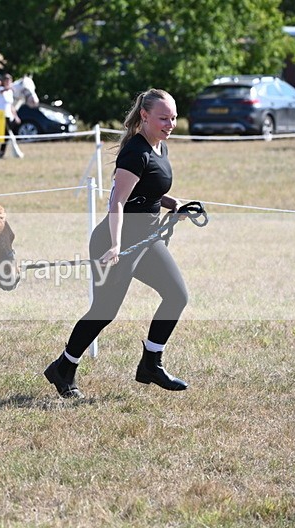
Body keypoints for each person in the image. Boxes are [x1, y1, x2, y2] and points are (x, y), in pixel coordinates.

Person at [43, 88, 190, 399]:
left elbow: (146, 189)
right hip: (117, 241)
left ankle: (151, 363)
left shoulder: (159, 147)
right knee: (104, 310)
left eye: (174, 118)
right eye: (164, 118)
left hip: (146, 240)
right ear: (145, 116)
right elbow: (117, 201)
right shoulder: (135, 152)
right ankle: (63, 367)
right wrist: (113, 244)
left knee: (177, 295)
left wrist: (171, 203)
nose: (171, 124)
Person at [0, 74, 20, 158]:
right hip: (1, 115)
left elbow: (11, 105)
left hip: (8, 115)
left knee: (6, 136)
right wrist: (9, 88)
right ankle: (14, 153)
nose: (8, 82)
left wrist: (16, 116)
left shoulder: (10, 92)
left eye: (9, 81)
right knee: (9, 134)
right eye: (6, 81)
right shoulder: (0, 89)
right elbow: (2, 91)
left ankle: (1, 152)